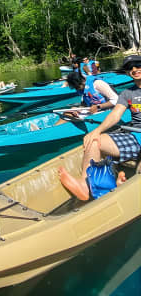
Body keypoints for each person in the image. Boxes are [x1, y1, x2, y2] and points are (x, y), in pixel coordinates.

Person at [59, 55, 141, 201]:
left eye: (138, 65)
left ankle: (123, 187)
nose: (134, 70)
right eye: (130, 68)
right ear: (127, 72)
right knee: (94, 141)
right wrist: (97, 131)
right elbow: (115, 114)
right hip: (136, 136)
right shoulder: (127, 93)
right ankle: (86, 186)